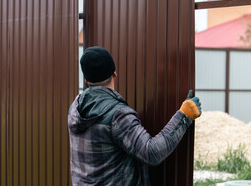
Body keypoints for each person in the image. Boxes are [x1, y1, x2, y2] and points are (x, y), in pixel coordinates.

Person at [68, 46, 201, 186]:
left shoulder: (75, 107)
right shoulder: (117, 115)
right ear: (114, 73)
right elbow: (152, 153)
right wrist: (183, 116)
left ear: (86, 80)